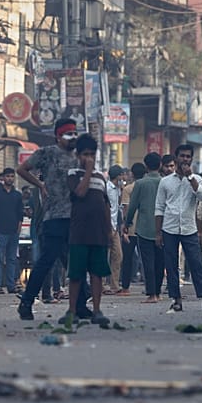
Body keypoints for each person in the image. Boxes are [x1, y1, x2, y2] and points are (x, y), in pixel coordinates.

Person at [16, 118, 93, 321]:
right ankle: (27, 301)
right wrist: (40, 185)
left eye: (75, 133)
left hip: (76, 219)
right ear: (58, 136)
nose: (73, 137)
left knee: (76, 263)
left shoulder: (80, 157)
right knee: (46, 261)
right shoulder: (47, 153)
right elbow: (22, 169)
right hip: (54, 217)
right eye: (69, 134)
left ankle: (81, 305)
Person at [155, 144, 202, 312]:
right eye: (182, 156)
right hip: (169, 228)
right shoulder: (165, 181)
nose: (185, 159)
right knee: (171, 265)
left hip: (189, 228)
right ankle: (176, 300)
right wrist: (158, 233)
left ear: (191, 159)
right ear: (176, 157)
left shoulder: (197, 179)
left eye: (188, 156)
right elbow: (159, 207)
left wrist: (190, 177)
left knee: (197, 264)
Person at [63, 134, 111, 326]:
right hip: (79, 233)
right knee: (76, 274)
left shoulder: (101, 178)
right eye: (85, 154)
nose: (88, 158)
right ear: (78, 154)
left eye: (92, 154)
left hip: (98, 233)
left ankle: (97, 310)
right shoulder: (73, 174)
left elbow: (105, 204)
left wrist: (109, 229)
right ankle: (72, 310)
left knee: (97, 273)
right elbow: (80, 193)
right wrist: (88, 171)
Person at [125, 153, 164, 302]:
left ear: (146, 166)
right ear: (160, 165)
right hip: (163, 227)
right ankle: (158, 293)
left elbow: (133, 205)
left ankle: (151, 294)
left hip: (144, 227)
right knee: (160, 261)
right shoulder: (164, 182)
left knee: (148, 262)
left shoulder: (140, 183)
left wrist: (127, 222)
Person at [0, 168, 24, 294]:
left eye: (12, 176)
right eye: (7, 176)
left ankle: (11, 285)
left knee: (11, 259)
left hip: (13, 231)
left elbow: (20, 214)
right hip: (0, 230)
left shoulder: (17, 195)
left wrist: (18, 229)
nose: (10, 178)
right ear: (3, 178)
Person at [120, 162, 146, 295]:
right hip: (145, 227)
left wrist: (125, 226)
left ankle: (125, 287)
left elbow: (126, 210)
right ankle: (150, 286)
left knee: (127, 259)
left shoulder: (128, 189)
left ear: (133, 174)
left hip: (131, 228)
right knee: (147, 258)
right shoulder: (148, 187)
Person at [104, 165, 125, 294]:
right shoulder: (107, 189)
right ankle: (100, 284)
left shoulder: (117, 189)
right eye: (122, 175)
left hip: (115, 226)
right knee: (104, 256)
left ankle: (114, 285)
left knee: (118, 255)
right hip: (106, 226)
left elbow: (118, 208)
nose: (124, 178)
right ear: (117, 176)